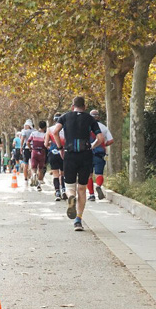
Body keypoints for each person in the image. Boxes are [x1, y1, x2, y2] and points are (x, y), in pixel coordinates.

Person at [51, 97, 104, 231]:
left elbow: (55, 131)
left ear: (72, 106)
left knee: (70, 187)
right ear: (85, 107)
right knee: (82, 188)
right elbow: (100, 138)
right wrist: (92, 146)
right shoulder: (90, 119)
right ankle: (78, 220)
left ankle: (71, 197)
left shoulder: (64, 117)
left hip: (70, 154)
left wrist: (60, 148)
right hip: (85, 155)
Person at [87, 109, 114, 201]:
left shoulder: (86, 127)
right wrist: (104, 144)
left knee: (89, 175)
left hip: (88, 153)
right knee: (99, 174)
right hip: (100, 154)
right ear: (98, 117)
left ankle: (91, 195)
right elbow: (111, 140)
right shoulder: (103, 127)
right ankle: (98, 186)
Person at [44, 113, 67, 201]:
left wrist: (50, 146)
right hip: (63, 153)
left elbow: (46, 144)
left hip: (53, 153)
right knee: (63, 174)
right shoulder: (66, 129)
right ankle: (64, 189)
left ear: (54, 120)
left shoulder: (49, 129)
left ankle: (57, 192)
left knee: (55, 174)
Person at [27, 121, 48, 191]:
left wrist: (30, 148)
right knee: (40, 169)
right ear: (45, 127)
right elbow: (46, 144)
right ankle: (39, 184)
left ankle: (33, 175)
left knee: (33, 168)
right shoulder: (45, 135)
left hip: (34, 151)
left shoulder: (33, 133)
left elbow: (28, 142)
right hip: (42, 152)